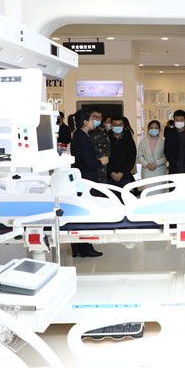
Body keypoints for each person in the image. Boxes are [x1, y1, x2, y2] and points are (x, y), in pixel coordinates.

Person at [70, 110, 108, 257]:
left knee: (82, 213)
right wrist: (101, 161)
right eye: (92, 119)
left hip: (84, 178)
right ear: (85, 122)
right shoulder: (81, 137)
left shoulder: (81, 135)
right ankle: (85, 248)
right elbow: (89, 162)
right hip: (85, 179)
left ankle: (80, 248)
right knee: (85, 213)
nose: (95, 122)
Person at [107, 117, 136, 187]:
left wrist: (122, 173)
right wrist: (111, 172)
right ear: (111, 126)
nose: (118, 126)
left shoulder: (129, 140)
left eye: (120, 124)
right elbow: (103, 157)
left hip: (125, 176)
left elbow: (132, 158)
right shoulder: (105, 138)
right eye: (115, 124)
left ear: (123, 126)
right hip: (109, 177)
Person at [88, 110, 111, 183]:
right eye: (95, 117)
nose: (97, 119)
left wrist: (105, 158)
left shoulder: (102, 132)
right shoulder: (84, 132)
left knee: (101, 187)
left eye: (99, 117)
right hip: (88, 167)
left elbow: (108, 148)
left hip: (101, 167)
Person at [164, 110, 185, 174]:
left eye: (181, 119)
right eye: (176, 120)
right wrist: (175, 162)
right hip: (174, 168)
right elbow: (167, 151)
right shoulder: (170, 135)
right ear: (174, 121)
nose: (178, 121)